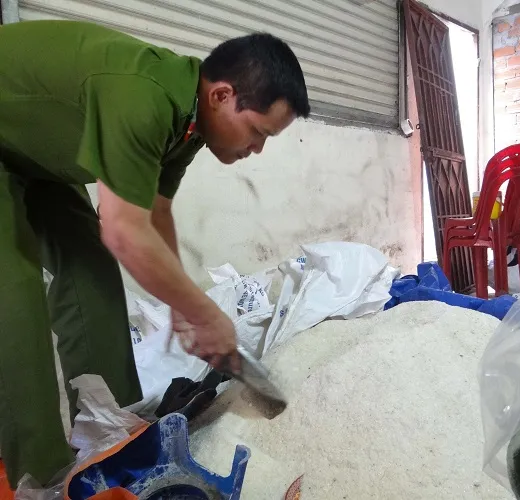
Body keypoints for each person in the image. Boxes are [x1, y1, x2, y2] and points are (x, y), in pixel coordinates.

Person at [0, 19, 310, 488]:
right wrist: (203, 312)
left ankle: (108, 433)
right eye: (257, 131)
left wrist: (181, 307)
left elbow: (154, 212)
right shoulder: (143, 97)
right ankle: (37, 480)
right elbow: (124, 231)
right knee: (14, 296)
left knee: (90, 271)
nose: (258, 149)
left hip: (29, 153)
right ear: (222, 95)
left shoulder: (188, 125)